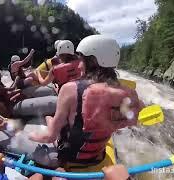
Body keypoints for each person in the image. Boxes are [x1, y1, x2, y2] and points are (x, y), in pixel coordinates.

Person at [29, 35, 144, 170]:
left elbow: (50, 137)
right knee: (50, 119)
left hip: (70, 160)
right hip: (98, 157)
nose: (79, 64)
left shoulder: (70, 89)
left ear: (92, 61)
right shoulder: (127, 94)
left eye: (82, 60)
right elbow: (139, 109)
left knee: (41, 127)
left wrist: (30, 136)